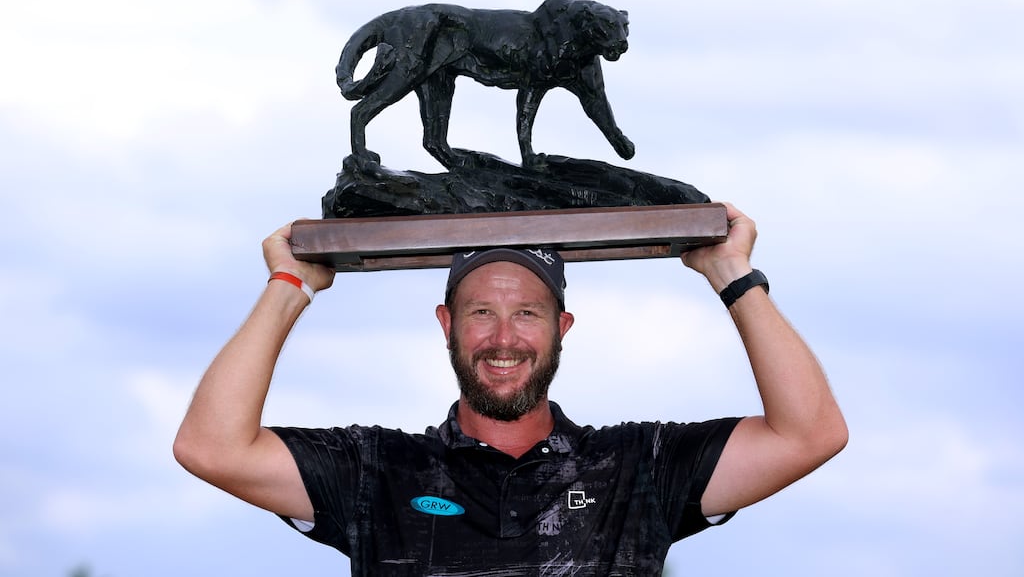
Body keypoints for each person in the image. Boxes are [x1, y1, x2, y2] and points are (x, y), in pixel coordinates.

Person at [174, 203, 847, 575]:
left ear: (561, 327)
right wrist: (286, 287)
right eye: (480, 312)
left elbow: (810, 433)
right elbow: (211, 446)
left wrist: (734, 275)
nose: (503, 337)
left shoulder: (636, 467)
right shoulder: (375, 471)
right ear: (447, 324)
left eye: (526, 312)